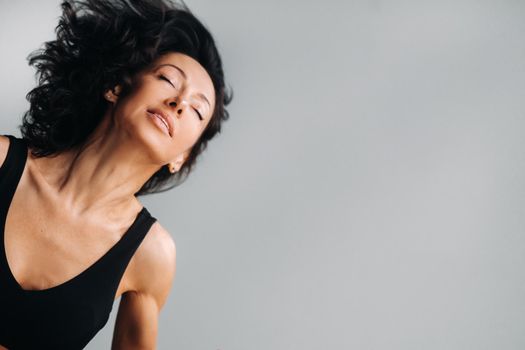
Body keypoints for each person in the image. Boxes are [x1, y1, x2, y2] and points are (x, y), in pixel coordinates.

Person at [0, 0, 232, 348]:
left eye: (197, 110)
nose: (180, 102)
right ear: (116, 87)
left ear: (181, 158)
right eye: (168, 79)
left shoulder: (150, 255)